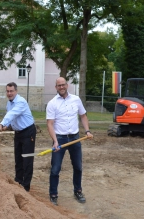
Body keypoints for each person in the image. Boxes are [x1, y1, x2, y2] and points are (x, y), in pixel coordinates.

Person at [46, 77, 93, 206]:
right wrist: (55, 141)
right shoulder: (52, 103)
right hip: (60, 139)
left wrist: (87, 131)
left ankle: (78, 191)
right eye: (58, 85)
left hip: (75, 138)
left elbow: (83, 115)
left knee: (78, 167)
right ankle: (53, 194)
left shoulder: (76, 100)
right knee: (55, 169)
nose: (61, 87)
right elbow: (50, 124)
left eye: (63, 84)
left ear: (67, 85)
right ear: (56, 87)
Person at [0, 82, 36, 192]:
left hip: (28, 133)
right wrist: (6, 126)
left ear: (16, 91)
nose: (9, 93)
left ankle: (25, 187)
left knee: (27, 160)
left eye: (11, 91)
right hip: (18, 133)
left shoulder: (21, 102)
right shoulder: (9, 103)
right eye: (8, 91)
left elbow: (12, 114)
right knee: (18, 159)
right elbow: (12, 117)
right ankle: (18, 182)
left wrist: (2, 124)